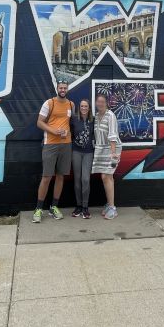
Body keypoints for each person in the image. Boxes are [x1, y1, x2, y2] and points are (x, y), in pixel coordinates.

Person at [33, 80, 74, 223]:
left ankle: (54, 207)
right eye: (60, 87)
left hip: (66, 144)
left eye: (65, 88)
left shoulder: (71, 104)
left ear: (67, 89)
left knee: (61, 176)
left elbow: (70, 123)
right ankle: (38, 209)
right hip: (50, 144)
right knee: (46, 177)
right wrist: (54, 131)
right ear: (57, 88)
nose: (63, 89)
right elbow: (39, 122)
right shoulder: (49, 103)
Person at [91, 93, 122, 219]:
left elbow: (113, 134)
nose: (100, 104)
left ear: (106, 103)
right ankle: (109, 204)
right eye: (98, 102)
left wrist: (113, 154)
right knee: (107, 177)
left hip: (112, 149)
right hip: (101, 149)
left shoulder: (111, 115)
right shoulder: (96, 116)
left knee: (106, 176)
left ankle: (113, 208)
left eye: (102, 102)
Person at [70, 99, 94, 219]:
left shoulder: (93, 120)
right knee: (77, 179)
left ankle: (85, 207)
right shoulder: (74, 119)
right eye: (82, 106)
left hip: (88, 152)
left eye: (86, 106)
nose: (84, 108)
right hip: (76, 152)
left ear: (89, 108)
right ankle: (78, 206)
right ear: (79, 108)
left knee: (85, 179)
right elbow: (70, 133)